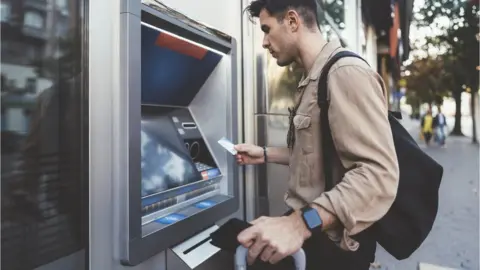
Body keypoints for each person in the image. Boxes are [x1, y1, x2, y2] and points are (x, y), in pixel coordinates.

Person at [234, 0, 399, 269]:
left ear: (291, 21)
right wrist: (263, 154)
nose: (264, 42)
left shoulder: (345, 73)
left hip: (333, 246)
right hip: (312, 235)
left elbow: (378, 175)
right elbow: (317, 152)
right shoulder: (313, 79)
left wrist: (299, 224)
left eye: (266, 29)